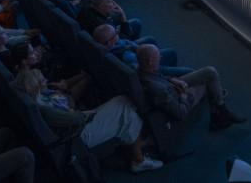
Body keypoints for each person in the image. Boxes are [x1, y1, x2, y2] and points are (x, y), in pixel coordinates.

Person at [14, 68, 161, 174]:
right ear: (36, 88)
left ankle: (137, 144)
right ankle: (138, 159)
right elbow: (75, 117)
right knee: (124, 107)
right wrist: (71, 109)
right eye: (42, 81)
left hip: (77, 123)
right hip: (78, 136)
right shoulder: (46, 110)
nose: (46, 80)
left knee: (123, 103)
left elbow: (69, 99)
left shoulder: (44, 96)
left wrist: (69, 108)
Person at [136, 44, 244, 131]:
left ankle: (221, 110)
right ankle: (218, 116)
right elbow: (180, 113)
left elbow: (160, 78)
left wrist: (172, 80)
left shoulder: (141, 69)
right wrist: (183, 97)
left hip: (172, 87)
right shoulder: (158, 90)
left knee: (210, 72)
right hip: (179, 99)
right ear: (150, 61)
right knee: (208, 82)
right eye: (158, 57)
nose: (160, 58)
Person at [93, 24, 189, 76]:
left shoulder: (110, 45)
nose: (117, 33)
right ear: (109, 43)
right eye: (115, 34)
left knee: (151, 40)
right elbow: (145, 63)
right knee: (172, 54)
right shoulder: (126, 56)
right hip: (150, 69)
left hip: (137, 54)